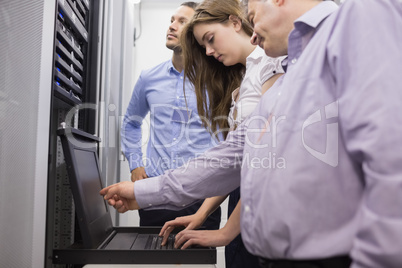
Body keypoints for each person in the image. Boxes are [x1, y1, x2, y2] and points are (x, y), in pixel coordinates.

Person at [103, 0, 402, 267]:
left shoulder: (361, 18)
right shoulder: (288, 74)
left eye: (253, 16)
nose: (253, 34)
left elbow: (392, 165)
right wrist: (142, 193)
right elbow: (230, 158)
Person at [157, 1, 284, 267]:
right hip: (242, 202)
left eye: (210, 39)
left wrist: (226, 232)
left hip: (262, 209)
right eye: (204, 47)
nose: (210, 51)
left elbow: (263, 161)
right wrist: (201, 215)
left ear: (235, 22)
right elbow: (235, 162)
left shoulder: (270, 64)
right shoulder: (244, 76)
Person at [121, 1, 221, 229]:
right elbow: (130, 123)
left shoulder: (215, 81)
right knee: (150, 261)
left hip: (200, 198)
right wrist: (136, 165)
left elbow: (225, 137)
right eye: (172, 21)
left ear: (196, 33)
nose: (172, 26)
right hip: (155, 197)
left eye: (182, 22)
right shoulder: (149, 78)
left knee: (196, 265)